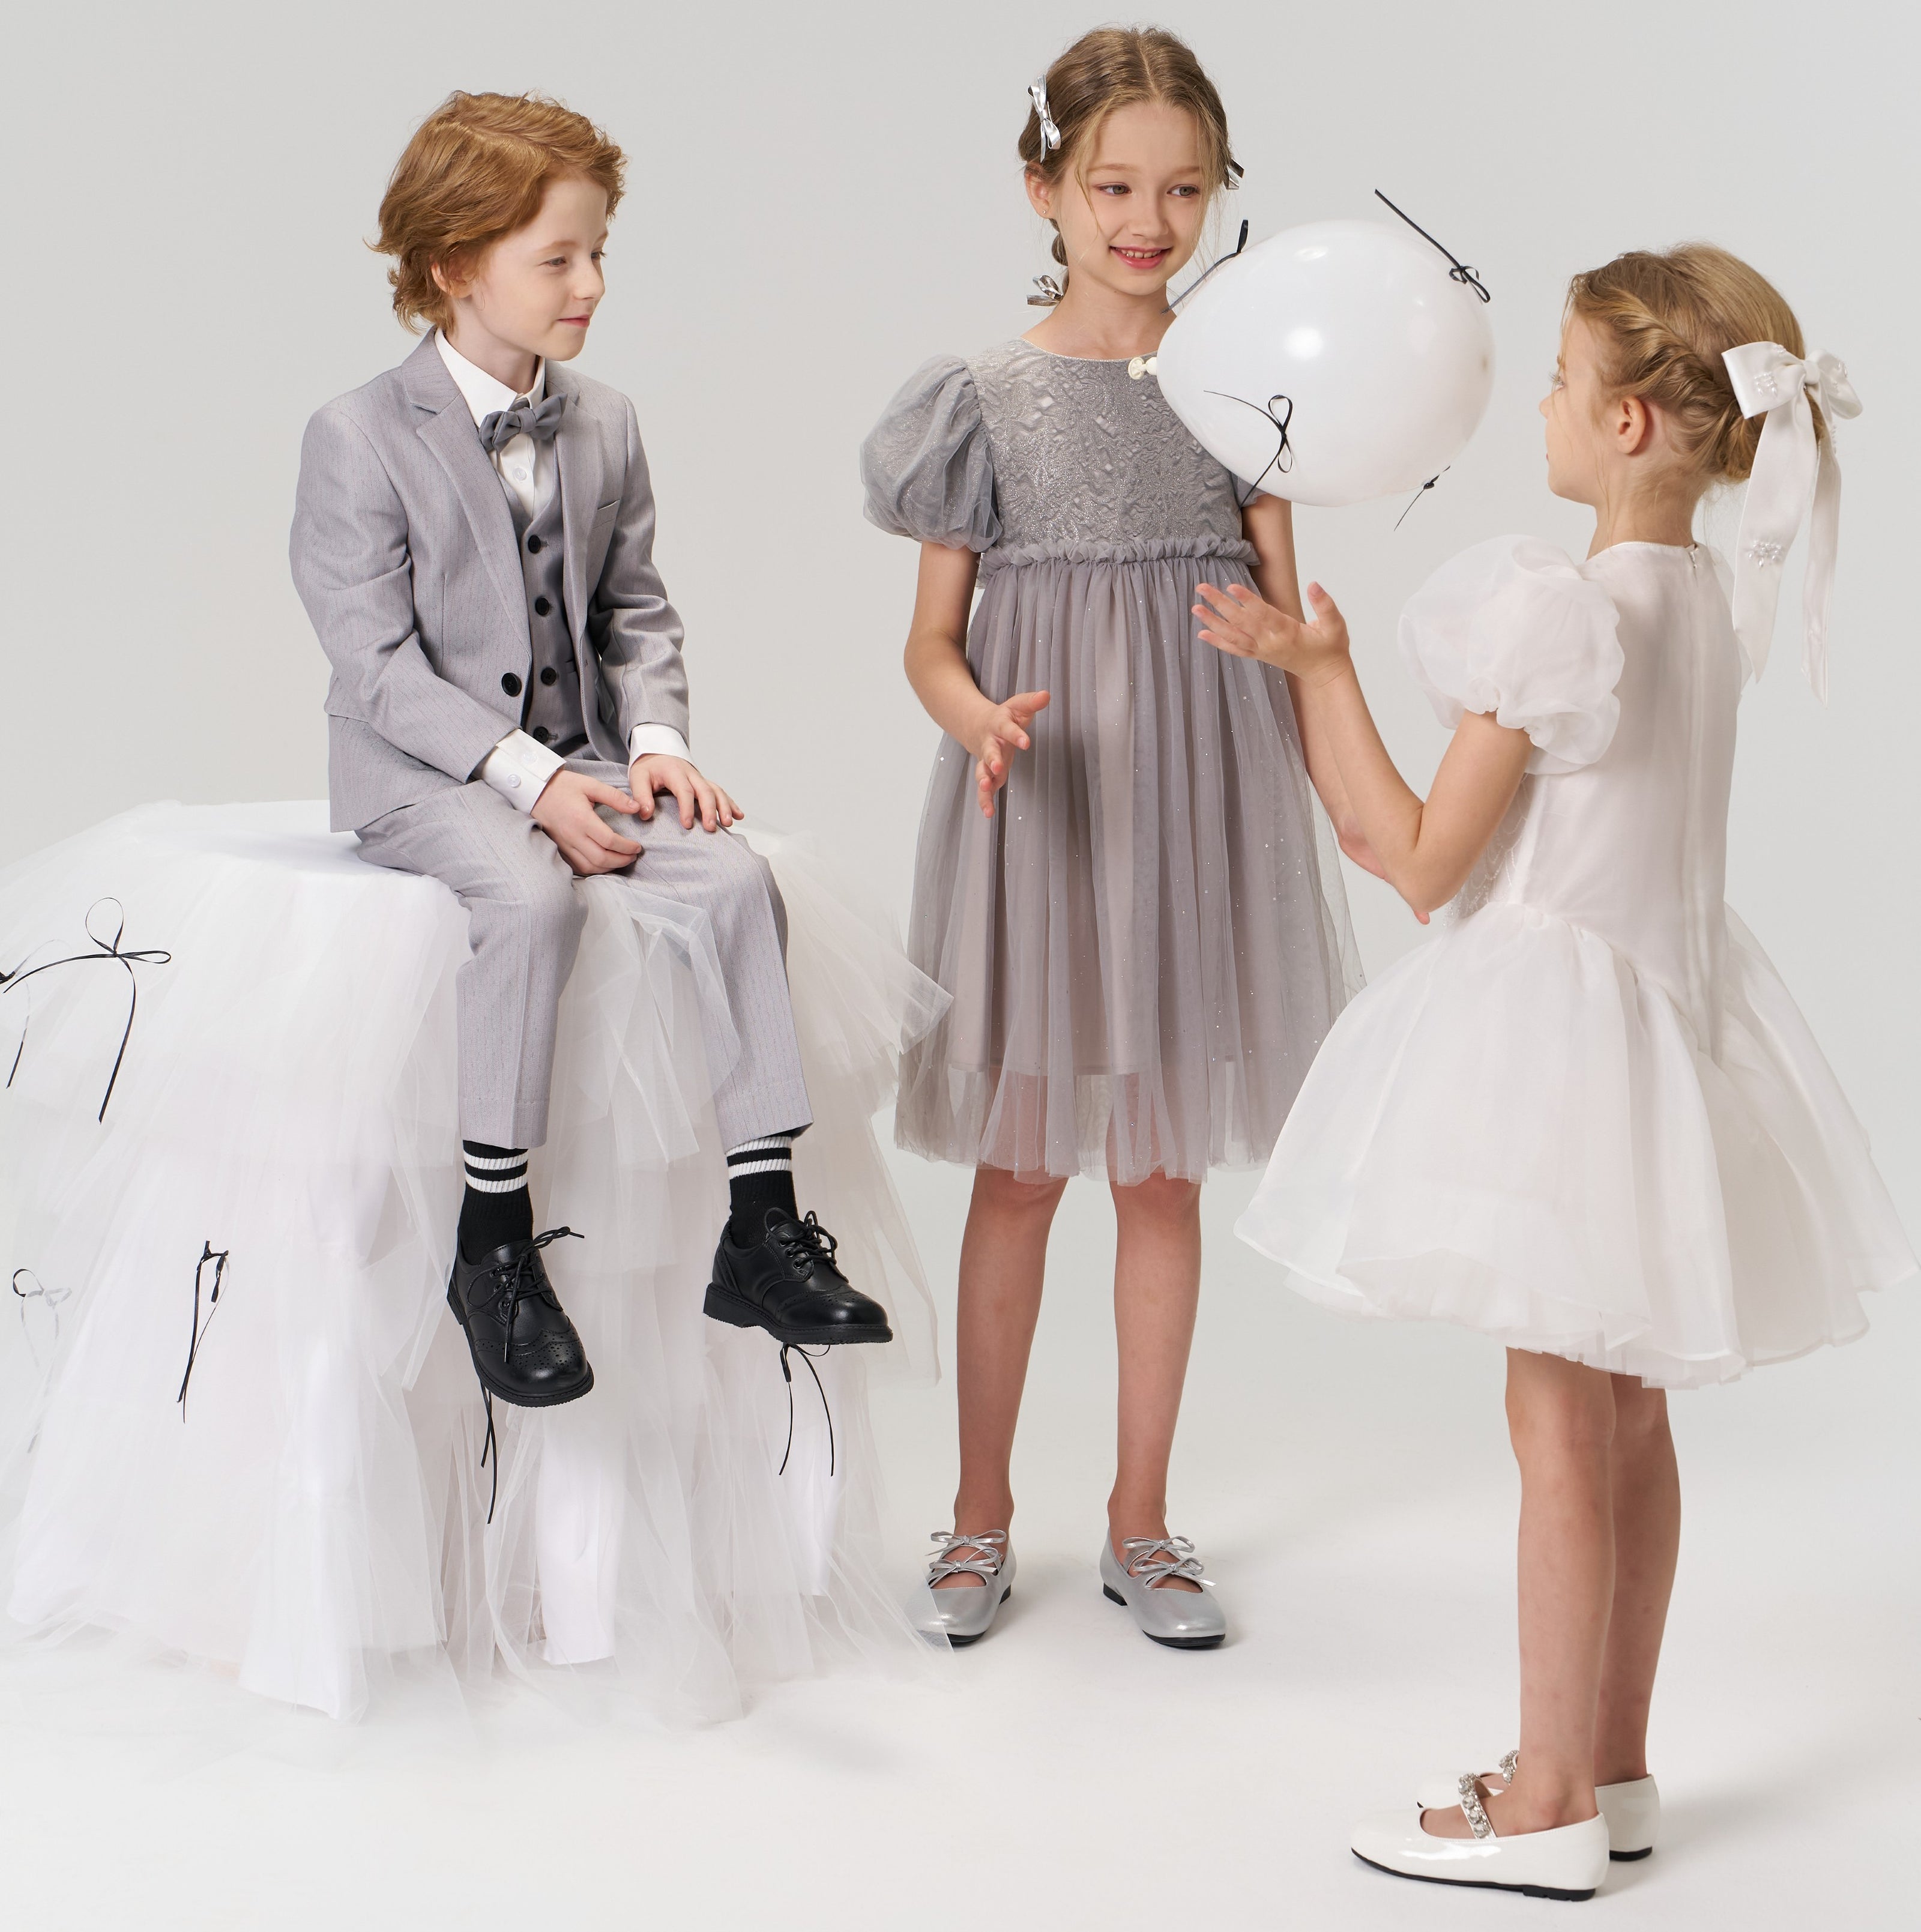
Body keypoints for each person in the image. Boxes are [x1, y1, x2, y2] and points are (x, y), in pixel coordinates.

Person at [1199, 244, 1914, 1898]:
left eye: (1552, 377)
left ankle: (1540, 1802)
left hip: (1560, 1047)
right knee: (1632, 1413)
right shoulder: (1698, 610)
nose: (1533, 401)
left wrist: (1321, 678)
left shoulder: (1557, 607)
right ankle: (1614, 1760)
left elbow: (1421, 860)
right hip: (1677, 1024)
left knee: (1552, 1425)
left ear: (1630, 417)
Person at [860, 28, 1363, 1649]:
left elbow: (1292, 624)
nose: (1151, 220)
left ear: (1218, 197)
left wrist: (1337, 756)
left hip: (1202, 815)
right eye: (1116, 186)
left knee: (1159, 1175)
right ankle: (979, 1511)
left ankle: (1143, 1518)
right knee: (1018, 1174)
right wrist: (978, 718)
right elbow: (934, 642)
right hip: (1048, 813)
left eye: (1185, 190)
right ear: (1048, 187)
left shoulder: (1244, 390)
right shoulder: (986, 398)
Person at [291, 91, 891, 1411]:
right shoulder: (356, 436)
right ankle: (492, 1244)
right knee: (525, 892)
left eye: (599, 253)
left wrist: (659, 740)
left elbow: (634, 609)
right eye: (556, 259)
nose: (592, 286)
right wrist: (534, 781)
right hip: (430, 778)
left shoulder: (605, 422)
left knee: (737, 881)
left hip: (584, 753)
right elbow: (376, 664)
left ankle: (760, 1225)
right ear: (454, 268)